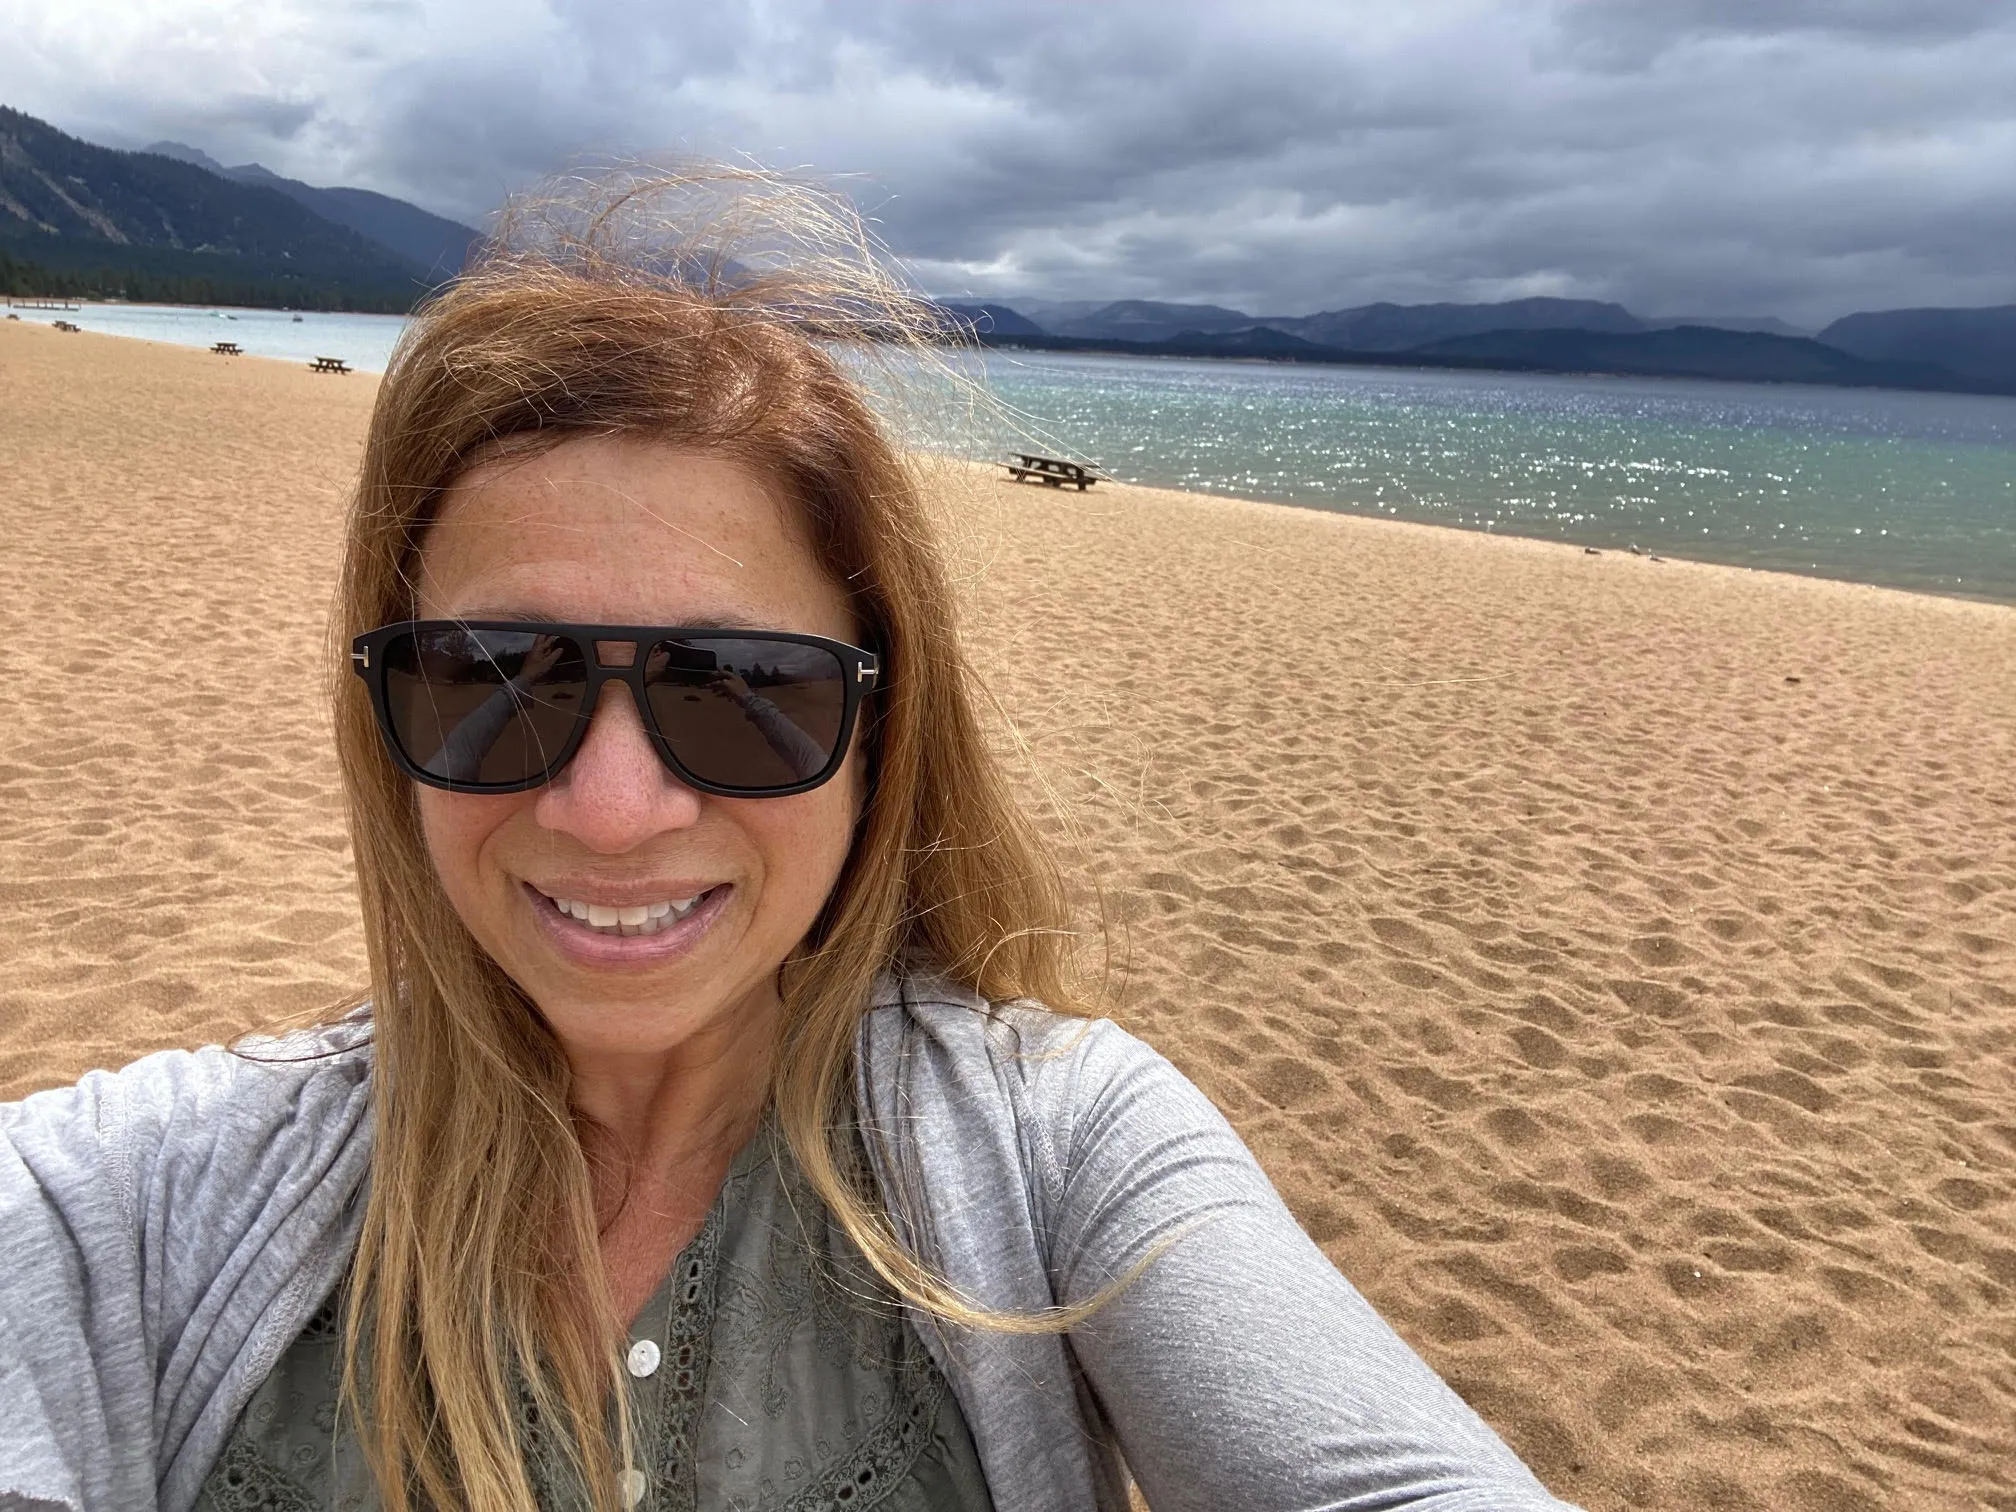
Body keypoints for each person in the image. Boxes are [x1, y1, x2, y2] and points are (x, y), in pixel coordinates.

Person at [0, 173, 1582, 1512]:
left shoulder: (1056, 1156)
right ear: (380, 714)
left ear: (880, 736)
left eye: (742, 692)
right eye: (495, 681)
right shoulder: (138, 1207)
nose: (614, 809)